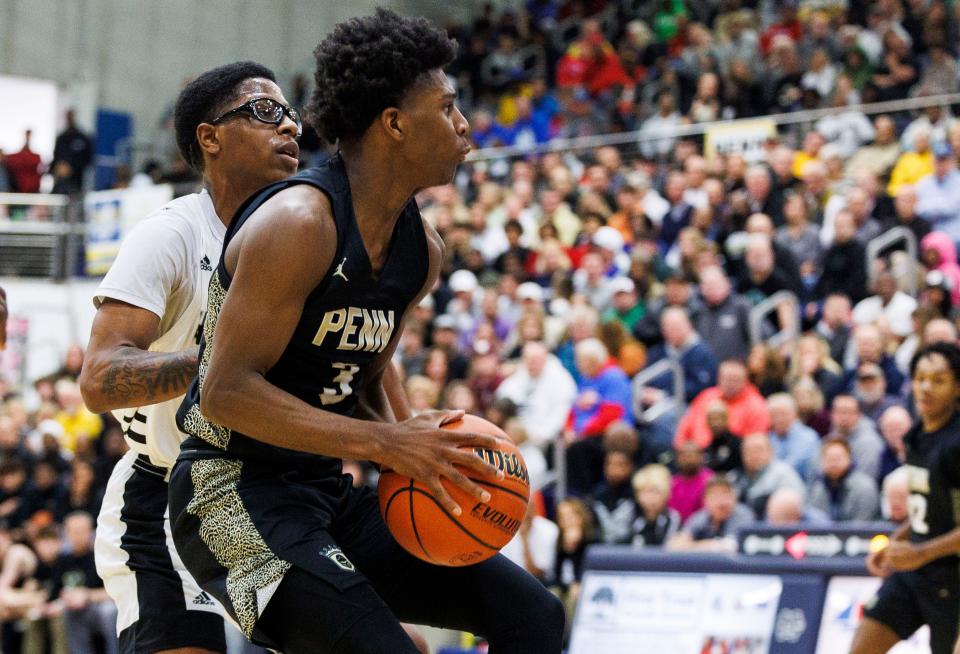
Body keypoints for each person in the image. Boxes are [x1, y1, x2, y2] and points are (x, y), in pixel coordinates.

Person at [167, 11, 564, 654]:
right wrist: (388, 442)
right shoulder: (299, 223)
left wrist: (422, 461)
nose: (464, 124)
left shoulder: (421, 249)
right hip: (228, 493)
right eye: (447, 106)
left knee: (534, 615)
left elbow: (369, 369)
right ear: (395, 123)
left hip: (324, 493)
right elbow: (225, 394)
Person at [78, 61, 301, 654]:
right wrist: (219, 365)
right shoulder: (172, 234)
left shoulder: (302, 241)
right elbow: (98, 379)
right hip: (165, 492)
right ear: (211, 137)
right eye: (265, 111)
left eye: (292, 114)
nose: (290, 127)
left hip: (260, 495)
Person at [852, 343, 960, 654]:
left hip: (952, 580)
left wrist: (921, 552)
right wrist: (895, 541)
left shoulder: (956, 443)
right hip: (914, 574)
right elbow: (927, 506)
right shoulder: (915, 436)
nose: (925, 387)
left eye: (938, 380)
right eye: (920, 378)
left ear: (956, 387)